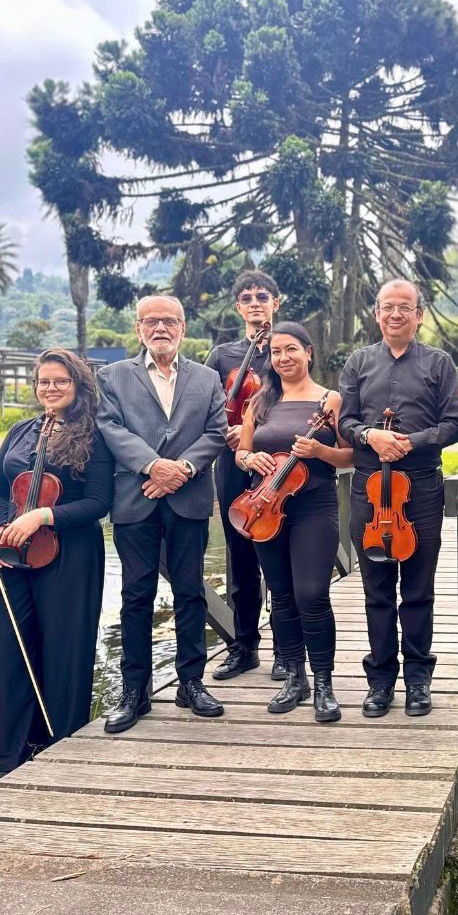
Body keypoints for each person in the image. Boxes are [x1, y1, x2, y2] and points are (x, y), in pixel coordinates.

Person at [97, 295, 229, 733]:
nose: (160, 328)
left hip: (189, 498)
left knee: (190, 591)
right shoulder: (112, 376)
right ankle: (135, 690)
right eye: (151, 321)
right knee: (136, 595)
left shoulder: (207, 378)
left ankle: (191, 682)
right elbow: (110, 427)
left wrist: (183, 469)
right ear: (138, 328)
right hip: (135, 497)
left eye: (169, 321)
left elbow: (216, 432)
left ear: (182, 327)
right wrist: (153, 466)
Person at [338, 280, 458, 718]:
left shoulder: (439, 363)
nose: (396, 314)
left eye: (404, 307)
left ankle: (419, 679)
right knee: (375, 588)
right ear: (376, 314)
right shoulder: (359, 362)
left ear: (419, 315)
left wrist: (411, 442)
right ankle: (380, 680)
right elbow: (345, 422)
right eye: (388, 307)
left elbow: (454, 424)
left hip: (422, 486)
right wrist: (370, 435)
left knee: (418, 588)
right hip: (370, 488)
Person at [0, 349, 113, 779]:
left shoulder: (93, 434)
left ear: (78, 385)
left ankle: (62, 751)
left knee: (65, 649)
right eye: (44, 381)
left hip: (71, 553)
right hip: (14, 552)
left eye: (61, 381)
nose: (51, 388)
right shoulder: (22, 431)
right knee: (10, 648)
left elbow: (99, 502)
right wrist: (1, 528)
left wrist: (43, 516)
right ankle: (11, 757)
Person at [235, 323, 352, 721]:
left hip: (314, 506)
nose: (283, 358)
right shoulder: (259, 401)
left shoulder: (330, 399)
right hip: (264, 506)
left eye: (291, 350)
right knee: (281, 595)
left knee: (312, 593)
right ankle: (294, 677)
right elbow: (241, 452)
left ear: (308, 352)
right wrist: (249, 459)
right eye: (276, 352)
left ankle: (324, 682)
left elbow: (350, 456)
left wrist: (320, 451)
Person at [205, 270, 281, 681]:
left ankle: (287, 650)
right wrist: (228, 432)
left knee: (281, 553)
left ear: (275, 303)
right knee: (239, 552)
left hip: (277, 463)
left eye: (262, 296)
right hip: (233, 462)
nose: (255, 303)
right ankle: (244, 646)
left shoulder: (287, 348)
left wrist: (255, 430)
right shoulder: (222, 355)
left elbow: (300, 402)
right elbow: (205, 406)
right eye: (248, 298)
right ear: (239, 307)